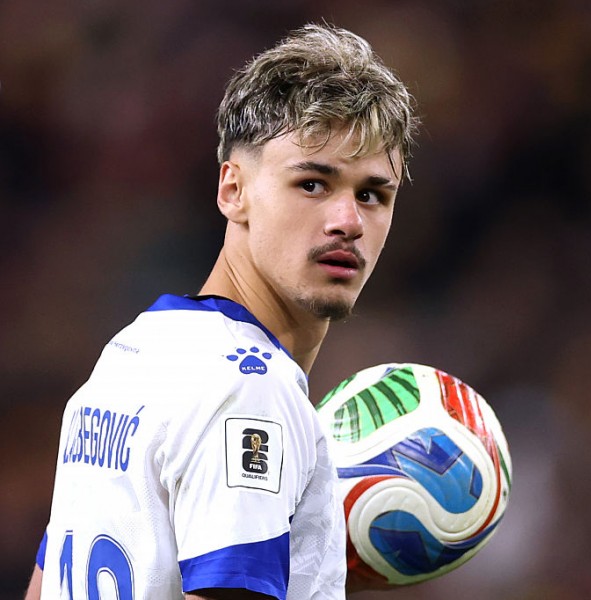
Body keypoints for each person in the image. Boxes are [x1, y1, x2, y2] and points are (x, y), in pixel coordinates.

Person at [24, 23, 418, 600]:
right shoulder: (252, 389)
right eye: (313, 184)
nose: (348, 222)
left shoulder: (130, 353)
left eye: (372, 194)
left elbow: (45, 587)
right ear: (233, 190)